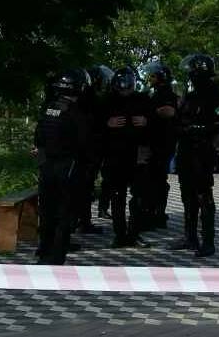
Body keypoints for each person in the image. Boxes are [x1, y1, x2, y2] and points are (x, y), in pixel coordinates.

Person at [170, 53, 219, 257]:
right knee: (187, 194)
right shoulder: (189, 96)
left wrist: (205, 131)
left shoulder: (216, 95)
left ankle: (208, 241)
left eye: (192, 72)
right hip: (186, 149)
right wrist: (181, 128)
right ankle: (190, 237)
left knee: (203, 194)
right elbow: (179, 119)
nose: (190, 76)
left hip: (203, 150)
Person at [33, 69, 92, 265]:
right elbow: (84, 144)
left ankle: (44, 250)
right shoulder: (76, 113)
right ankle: (56, 256)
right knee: (64, 213)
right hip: (68, 167)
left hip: (46, 166)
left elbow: (38, 139)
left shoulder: (48, 109)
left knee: (46, 211)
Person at [100, 66, 152, 248]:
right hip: (114, 155)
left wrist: (147, 121)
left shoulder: (143, 100)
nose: (125, 90)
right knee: (117, 196)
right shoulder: (107, 102)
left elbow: (158, 125)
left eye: (128, 86)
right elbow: (93, 126)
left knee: (139, 196)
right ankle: (119, 234)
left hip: (138, 155)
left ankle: (134, 233)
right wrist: (107, 123)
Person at [74, 64, 114, 235]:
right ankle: (83, 221)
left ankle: (80, 220)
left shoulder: (81, 96)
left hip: (85, 149)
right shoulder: (91, 98)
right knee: (85, 186)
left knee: (83, 185)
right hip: (89, 149)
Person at [144, 60, 178, 230]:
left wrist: (151, 112)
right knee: (152, 179)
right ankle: (153, 213)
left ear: (161, 77)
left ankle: (157, 214)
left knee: (157, 179)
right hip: (155, 142)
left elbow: (169, 111)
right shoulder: (155, 93)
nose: (150, 79)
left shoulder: (166, 94)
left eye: (153, 76)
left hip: (161, 143)